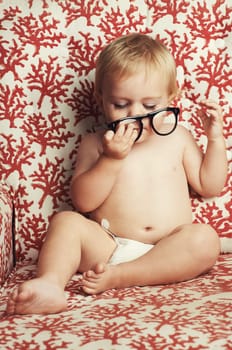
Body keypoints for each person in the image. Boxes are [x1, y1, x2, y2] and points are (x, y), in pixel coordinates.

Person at [7, 33, 228, 315]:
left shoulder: (178, 138)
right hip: (108, 247)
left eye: (150, 106)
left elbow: (209, 185)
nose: (135, 114)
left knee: (205, 239)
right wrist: (111, 160)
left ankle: (122, 276)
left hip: (169, 247)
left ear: (173, 97)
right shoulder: (95, 142)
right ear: (101, 100)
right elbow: (84, 203)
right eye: (121, 105)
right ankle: (50, 284)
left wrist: (215, 140)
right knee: (66, 222)